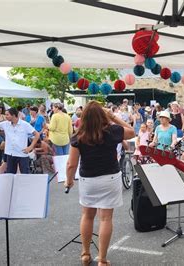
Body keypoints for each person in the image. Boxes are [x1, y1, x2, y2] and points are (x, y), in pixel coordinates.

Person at [65, 101, 134, 266]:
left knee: (87, 215)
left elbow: (71, 164)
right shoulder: (111, 131)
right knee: (105, 218)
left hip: (88, 179)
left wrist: (69, 181)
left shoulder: (78, 135)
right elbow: (131, 132)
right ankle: (102, 259)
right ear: (102, 116)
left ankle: (85, 254)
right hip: (110, 178)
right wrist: (113, 117)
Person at [0, 108, 40, 174]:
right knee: (10, 173)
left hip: (22, 153)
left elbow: (37, 134)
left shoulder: (25, 124)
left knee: (25, 173)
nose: (5, 116)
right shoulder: (5, 124)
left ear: (14, 115)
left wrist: (31, 147)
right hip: (10, 153)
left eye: (7, 115)